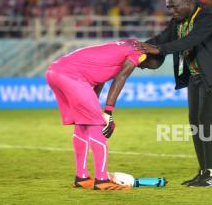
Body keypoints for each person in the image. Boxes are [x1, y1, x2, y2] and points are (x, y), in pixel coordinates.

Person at [135, 0, 212, 187]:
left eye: (173, 7)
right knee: (195, 122)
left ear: (186, 3)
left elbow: (190, 40)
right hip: (195, 76)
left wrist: (159, 50)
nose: (171, 12)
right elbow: (162, 38)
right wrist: (138, 46)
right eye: (168, 8)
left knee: (207, 121)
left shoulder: (207, 16)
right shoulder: (178, 21)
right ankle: (203, 172)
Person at [45, 38, 163, 191]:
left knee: (83, 123)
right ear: (149, 56)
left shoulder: (124, 47)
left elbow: (98, 78)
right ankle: (102, 180)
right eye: (148, 66)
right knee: (98, 125)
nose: (143, 68)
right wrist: (108, 112)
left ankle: (81, 177)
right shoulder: (138, 52)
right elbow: (121, 78)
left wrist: (97, 108)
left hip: (54, 71)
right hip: (71, 76)